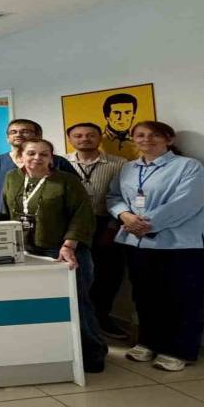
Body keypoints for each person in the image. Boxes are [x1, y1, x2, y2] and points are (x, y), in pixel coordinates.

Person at [107, 121, 204, 372]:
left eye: (154, 135)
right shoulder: (128, 168)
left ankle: (180, 350)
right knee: (145, 296)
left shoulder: (188, 166)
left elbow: (188, 202)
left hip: (185, 244)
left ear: (169, 139)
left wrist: (146, 224)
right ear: (133, 139)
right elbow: (114, 197)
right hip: (140, 243)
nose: (146, 139)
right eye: (140, 135)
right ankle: (149, 342)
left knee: (184, 299)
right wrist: (125, 215)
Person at [3, 138, 107, 373]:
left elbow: (82, 215)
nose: (37, 158)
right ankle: (50, 352)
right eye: (31, 153)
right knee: (38, 303)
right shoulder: (12, 178)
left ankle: (93, 354)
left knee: (77, 302)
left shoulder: (67, 181)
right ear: (21, 156)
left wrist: (69, 245)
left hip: (63, 250)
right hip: (28, 250)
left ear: (52, 158)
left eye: (44, 154)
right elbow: (8, 211)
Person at [65, 122, 128, 339]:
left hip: (107, 223)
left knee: (109, 275)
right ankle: (79, 323)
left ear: (100, 137)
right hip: (72, 226)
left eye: (90, 135)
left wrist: (112, 226)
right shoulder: (61, 162)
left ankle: (102, 318)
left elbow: (124, 195)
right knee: (78, 274)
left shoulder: (119, 163)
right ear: (70, 139)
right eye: (78, 135)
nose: (85, 139)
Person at [0, 119, 78, 216]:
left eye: (25, 131)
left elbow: (75, 194)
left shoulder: (58, 161)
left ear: (38, 136)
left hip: (49, 219)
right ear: (7, 138)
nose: (18, 135)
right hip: (5, 219)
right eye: (13, 132)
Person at [101, 93, 138, 159]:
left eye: (127, 112)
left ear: (133, 115)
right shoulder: (97, 143)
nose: (122, 118)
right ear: (107, 116)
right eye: (116, 113)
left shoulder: (140, 142)